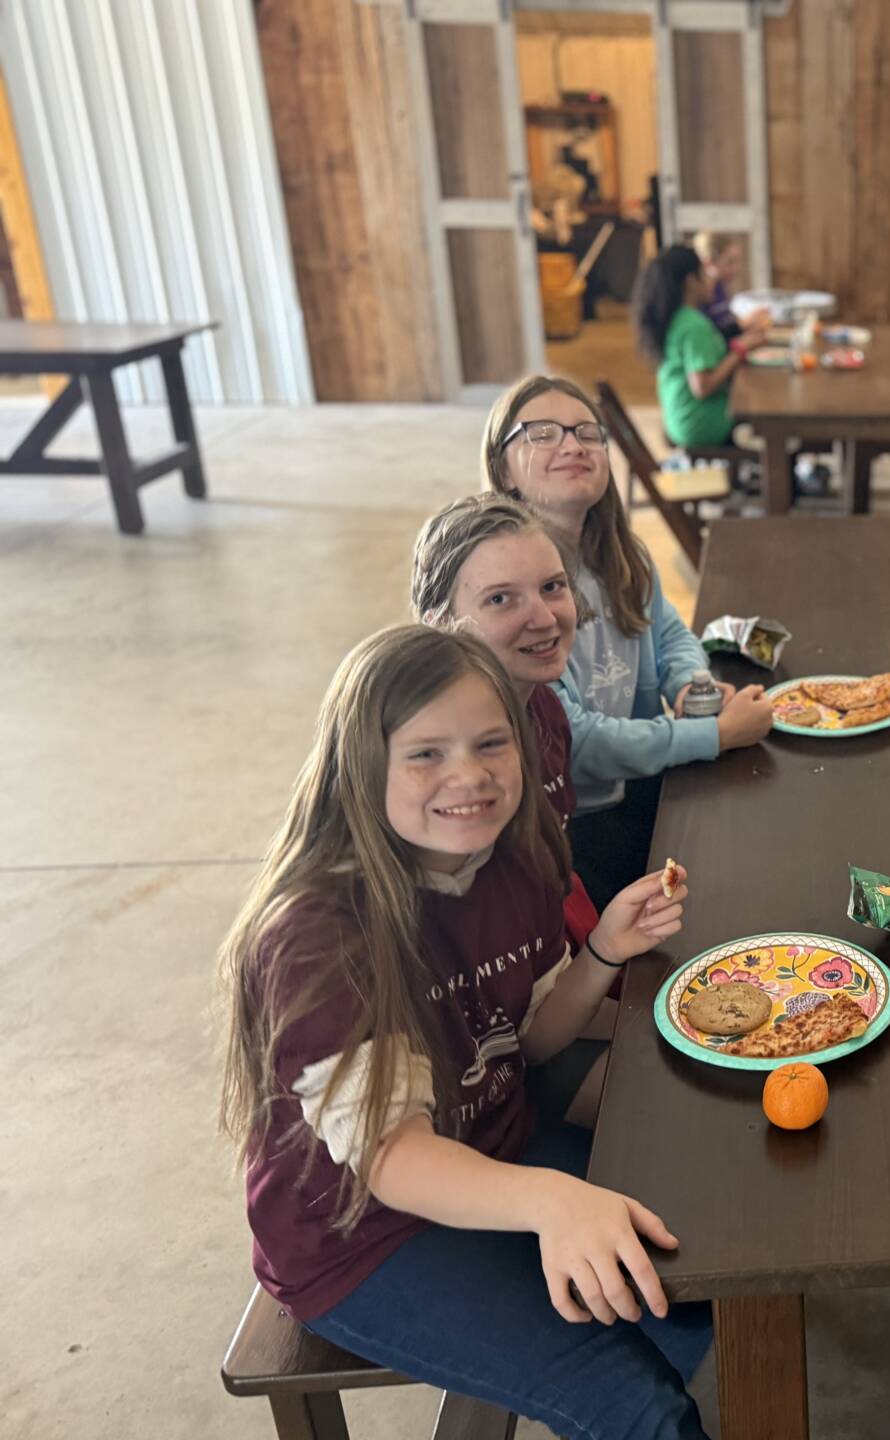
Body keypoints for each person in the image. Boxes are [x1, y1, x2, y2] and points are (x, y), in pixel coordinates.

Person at [217, 624, 711, 1438]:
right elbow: (391, 1160)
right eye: (426, 754)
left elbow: (533, 1038)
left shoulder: (516, 854)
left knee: (702, 1280)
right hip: (358, 1239)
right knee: (638, 1404)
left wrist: (598, 954)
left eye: (491, 744)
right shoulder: (317, 933)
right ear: (359, 764)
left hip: (490, 1146)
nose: (469, 776)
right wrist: (552, 1200)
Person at [482, 375, 773, 908]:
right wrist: (714, 735)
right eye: (543, 433)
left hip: (640, 783)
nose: (572, 444)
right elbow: (580, 745)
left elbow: (667, 631)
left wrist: (691, 683)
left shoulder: (621, 553)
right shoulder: (521, 599)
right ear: (503, 468)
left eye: (587, 433)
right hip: (572, 826)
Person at [410, 492, 611, 1126]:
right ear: (438, 621)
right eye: (501, 599)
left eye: (553, 587)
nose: (545, 618)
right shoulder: (426, 784)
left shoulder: (545, 708)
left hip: (542, 987)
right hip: (471, 1060)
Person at [634, 244, 760, 451]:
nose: (711, 280)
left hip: (680, 420)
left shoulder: (678, 317)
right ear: (691, 281)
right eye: (704, 273)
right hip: (700, 425)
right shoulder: (693, 325)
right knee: (769, 418)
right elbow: (702, 387)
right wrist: (740, 350)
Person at [688, 232, 769, 341]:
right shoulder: (699, 296)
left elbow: (726, 322)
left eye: (738, 262)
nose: (736, 269)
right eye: (730, 262)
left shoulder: (719, 287)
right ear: (709, 263)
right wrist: (743, 325)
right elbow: (710, 338)